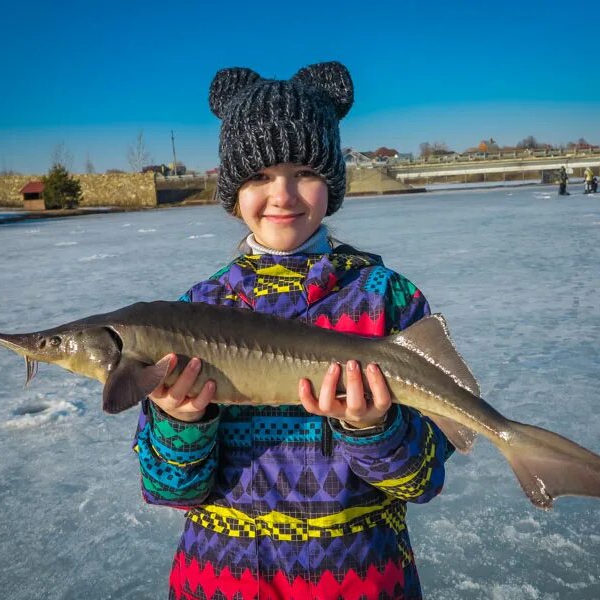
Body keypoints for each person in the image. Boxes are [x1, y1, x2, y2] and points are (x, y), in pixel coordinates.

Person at [133, 62, 466, 600]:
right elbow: (168, 488)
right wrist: (180, 422)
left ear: (332, 184)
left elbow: (423, 480)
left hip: (360, 582)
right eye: (259, 176)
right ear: (234, 191)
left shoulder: (388, 301)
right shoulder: (195, 310)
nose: (282, 194)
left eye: (303, 173)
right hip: (220, 583)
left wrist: (372, 427)